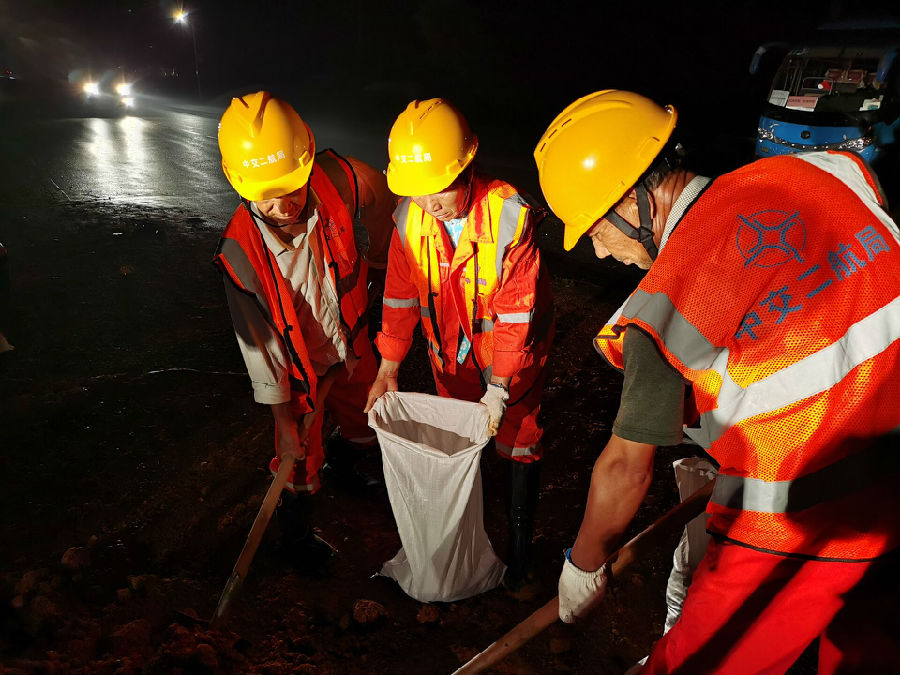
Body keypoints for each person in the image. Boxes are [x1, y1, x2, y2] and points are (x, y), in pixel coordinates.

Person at [534, 90, 900, 674]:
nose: (600, 253)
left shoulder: (664, 306)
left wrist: (583, 564)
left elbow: (626, 469)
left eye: (596, 230)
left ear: (634, 198)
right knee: (867, 648)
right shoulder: (817, 172)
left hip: (804, 512)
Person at [364, 98, 555, 593]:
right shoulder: (408, 220)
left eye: (440, 187)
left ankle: (519, 555)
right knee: (459, 444)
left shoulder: (508, 216)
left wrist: (499, 388)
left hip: (513, 360)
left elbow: (517, 313)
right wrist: (388, 367)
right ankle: (469, 538)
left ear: (467, 169)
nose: (429, 202)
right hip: (450, 358)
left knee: (519, 442)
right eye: (418, 189)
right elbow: (399, 298)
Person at [214, 91, 395, 573]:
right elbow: (261, 353)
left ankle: (347, 462)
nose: (284, 205)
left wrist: (381, 253)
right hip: (300, 373)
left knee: (366, 417)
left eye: (292, 188)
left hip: (352, 344)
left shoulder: (337, 179)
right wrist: (282, 419)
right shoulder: (240, 254)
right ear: (240, 183)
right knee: (297, 456)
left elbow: (378, 192)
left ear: (308, 157)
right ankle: (295, 536)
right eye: (268, 196)